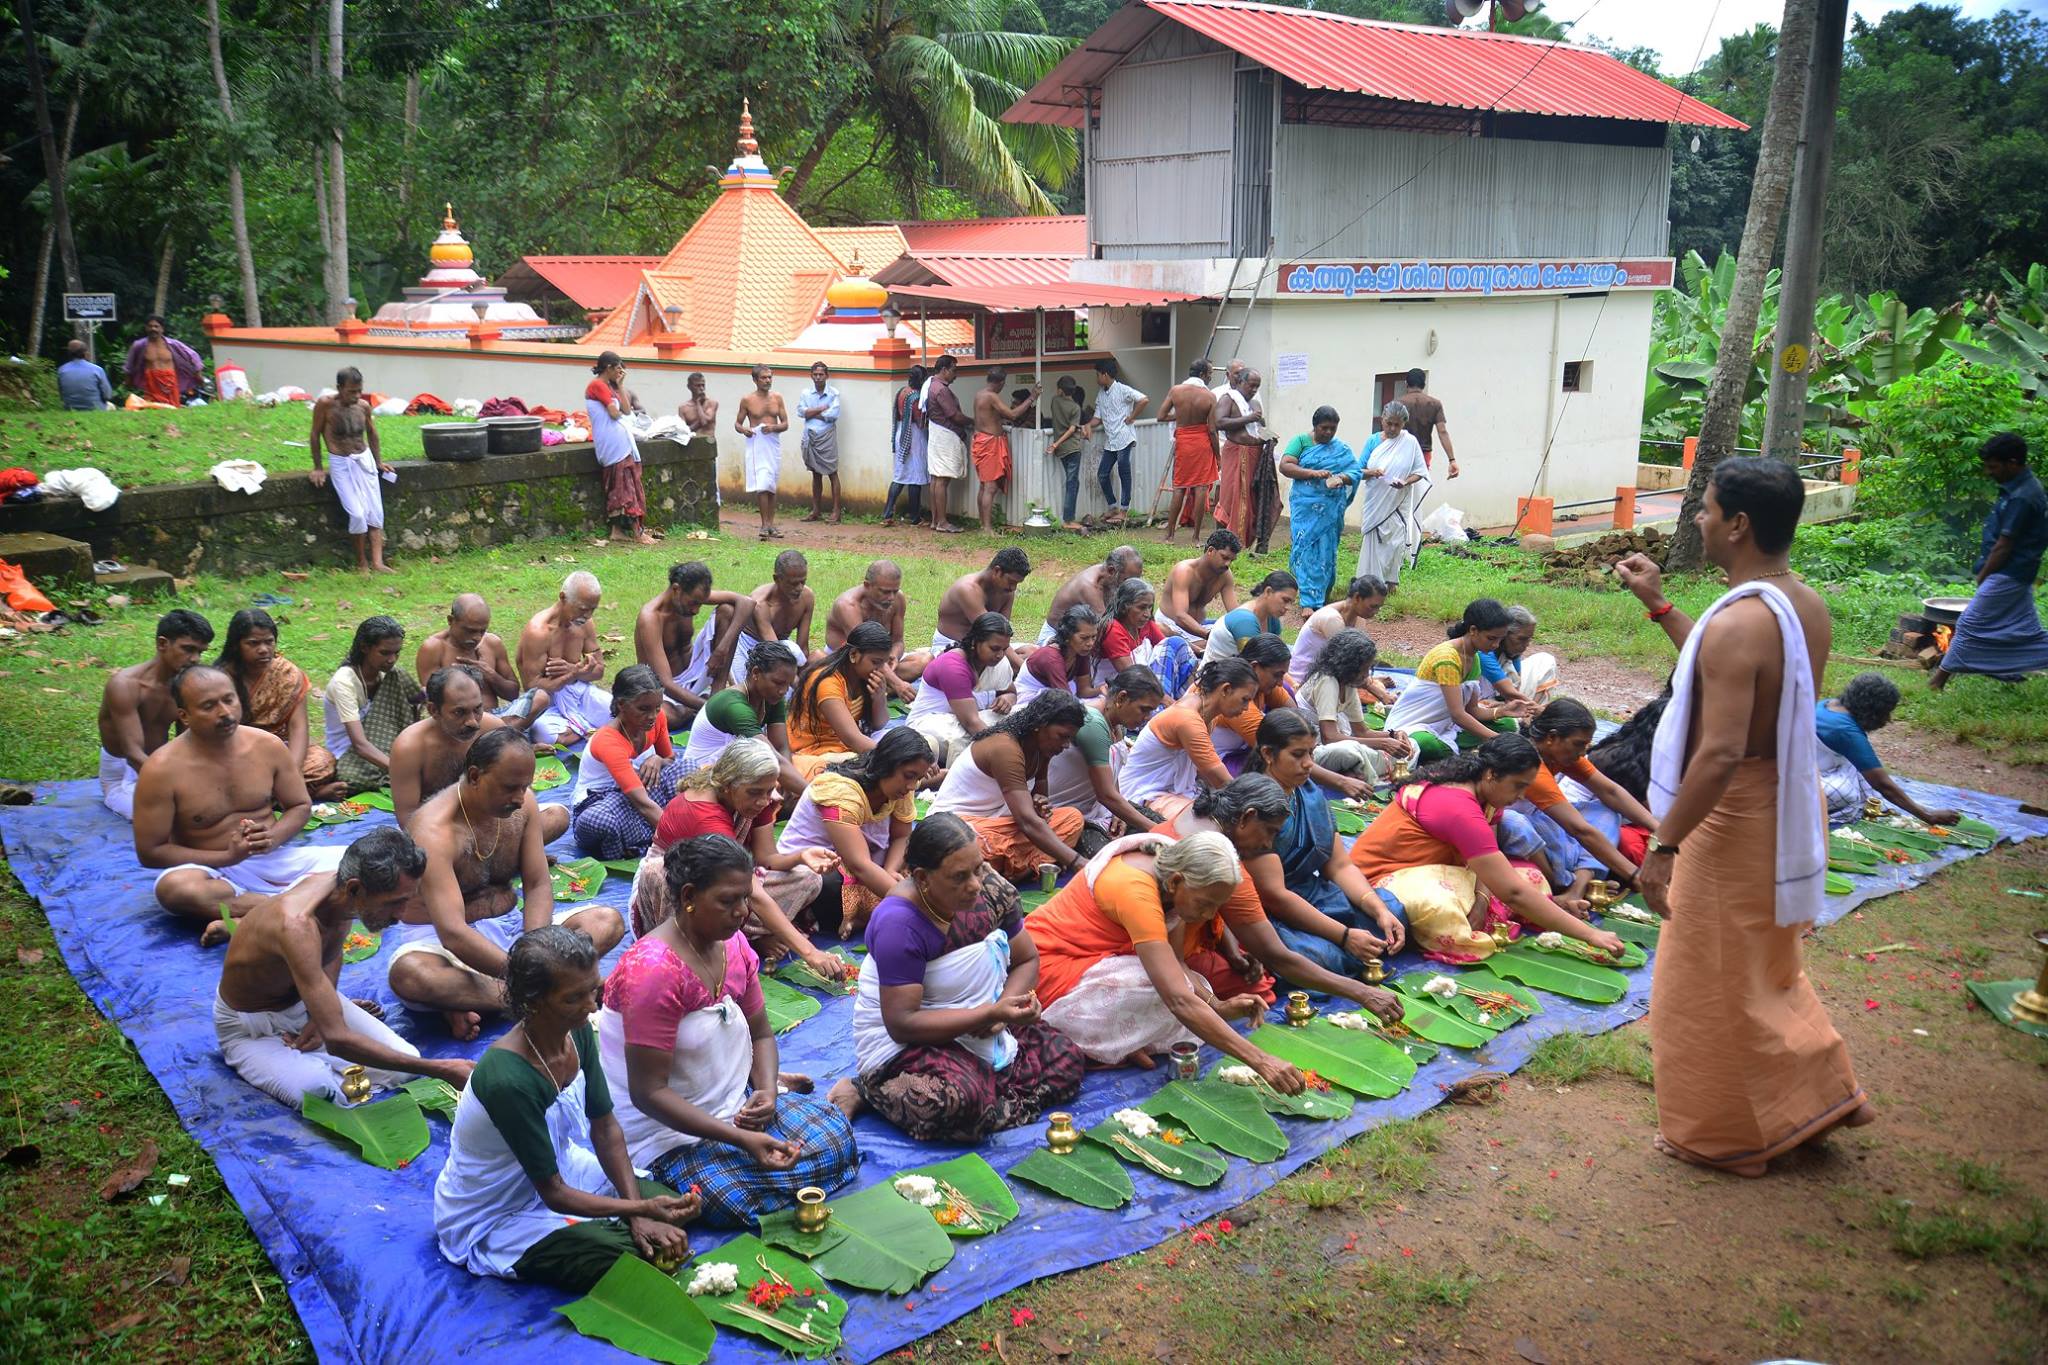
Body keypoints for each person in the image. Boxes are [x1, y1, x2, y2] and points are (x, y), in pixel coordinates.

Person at [1613, 455, 1870, 1177]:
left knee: (1703, 980)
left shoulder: (1741, 624)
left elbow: (1722, 749)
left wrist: (1664, 845)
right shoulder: (1799, 603)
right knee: (1766, 965)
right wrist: (1660, 605)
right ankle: (1813, 1103)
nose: (1698, 518)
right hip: (1783, 798)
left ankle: (1724, 1134)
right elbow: (1728, 668)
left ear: (1739, 524)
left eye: (1707, 508)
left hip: (1731, 813)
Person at [598, 836, 860, 1227]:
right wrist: (739, 1138)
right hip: (666, 1130)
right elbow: (648, 1094)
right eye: (728, 901)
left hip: (731, 1105)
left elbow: (761, 1034)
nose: (742, 912)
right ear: (688, 895)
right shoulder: (653, 972)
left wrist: (767, 1091)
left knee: (836, 1139)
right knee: (727, 1198)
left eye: (745, 899)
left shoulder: (732, 944)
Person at [434, 924, 698, 1293]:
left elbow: (605, 1128)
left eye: (593, 990)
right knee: (630, 1255)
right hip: (499, 1210)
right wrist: (637, 1212)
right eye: (574, 999)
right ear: (533, 1001)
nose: (592, 1006)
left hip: (565, 1167)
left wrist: (640, 1209)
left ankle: (619, 1222)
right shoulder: (508, 1079)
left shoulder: (576, 1033)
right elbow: (553, 1193)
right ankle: (602, 1232)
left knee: (669, 1208)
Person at [829, 814, 1086, 1141]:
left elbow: (1026, 960)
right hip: (909, 1041)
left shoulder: (990, 890)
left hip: (985, 1021)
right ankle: (868, 1090)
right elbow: (902, 1023)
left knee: (1066, 1059)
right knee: (957, 1102)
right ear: (922, 877)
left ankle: (985, 1089)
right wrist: (989, 1014)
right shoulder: (899, 924)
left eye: (978, 869)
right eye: (959, 877)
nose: (976, 884)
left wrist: (1007, 1006)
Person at [215, 827, 472, 1107]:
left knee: (403, 1062)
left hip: (302, 1003)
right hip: (249, 1026)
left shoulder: (341, 894)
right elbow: (337, 1040)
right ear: (354, 889)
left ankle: (319, 1033)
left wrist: (319, 1012)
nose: (400, 915)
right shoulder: (297, 926)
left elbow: (332, 949)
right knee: (322, 1094)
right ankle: (295, 1053)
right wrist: (441, 1069)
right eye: (394, 903)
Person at [394, 729, 624, 1038]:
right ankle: (550, 993)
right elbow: (453, 934)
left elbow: (538, 883)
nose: (520, 797)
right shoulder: (433, 831)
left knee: (605, 921)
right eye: (510, 788)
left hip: (515, 930)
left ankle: (502, 999)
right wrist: (530, 973)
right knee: (413, 977)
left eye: (525, 786)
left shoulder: (522, 804)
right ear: (475, 776)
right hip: (444, 944)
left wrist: (537, 949)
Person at [1027, 829, 1301, 1082]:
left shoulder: (1174, 871)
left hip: (1096, 965)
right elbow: (1178, 999)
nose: (1208, 916)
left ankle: (1118, 1043)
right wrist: (1262, 1061)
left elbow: (1177, 960)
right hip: (1047, 972)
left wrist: (1216, 1005)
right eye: (1205, 905)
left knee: (1195, 987)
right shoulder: (1136, 891)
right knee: (1157, 989)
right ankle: (1101, 1045)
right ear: (1176, 881)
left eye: (1216, 906)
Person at [1347, 734, 1623, 962]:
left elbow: (1491, 859)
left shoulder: (1485, 794)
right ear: (1491, 774)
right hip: (1382, 880)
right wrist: (1591, 935)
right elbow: (1512, 892)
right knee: (1442, 908)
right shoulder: (1458, 806)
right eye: (1518, 786)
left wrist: (1481, 899)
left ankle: (1501, 911)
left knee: (1532, 877)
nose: (1522, 796)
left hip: (1443, 871)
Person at [1167, 776, 1406, 1018]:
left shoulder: (1199, 815)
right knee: (1263, 990)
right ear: (1246, 818)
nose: (1268, 844)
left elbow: (1218, 910)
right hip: (1158, 950)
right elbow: (1276, 953)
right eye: (1270, 832)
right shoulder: (1218, 861)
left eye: (1311, 753)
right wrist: (1361, 992)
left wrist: (1231, 950)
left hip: (1292, 905)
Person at [136, 664, 343, 939]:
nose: (224, 712)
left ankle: (247, 918)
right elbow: (151, 851)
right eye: (209, 706)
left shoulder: (267, 746)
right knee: (176, 890)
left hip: (273, 858)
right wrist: (226, 856)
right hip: (211, 870)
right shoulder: (161, 770)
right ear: (184, 716)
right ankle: (297, 906)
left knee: (366, 862)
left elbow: (300, 806)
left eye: (229, 700)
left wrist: (272, 837)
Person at [644, 740, 849, 979]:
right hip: (679, 892)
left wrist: (801, 856)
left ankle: (746, 937)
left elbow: (765, 857)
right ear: (729, 785)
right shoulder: (705, 815)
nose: (763, 801)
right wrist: (811, 953)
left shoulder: (757, 794)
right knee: (662, 873)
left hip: (730, 882)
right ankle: (693, 948)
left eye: (767, 791)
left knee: (808, 878)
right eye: (755, 793)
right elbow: (753, 894)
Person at [1240, 708, 1408, 974]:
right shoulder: (1255, 804)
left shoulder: (1308, 792)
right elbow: (1275, 896)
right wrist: (1344, 936)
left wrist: (1377, 910)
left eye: (1311, 752)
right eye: (1298, 755)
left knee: (1393, 912)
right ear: (1268, 754)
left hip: (1314, 893)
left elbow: (1339, 866)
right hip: (1273, 910)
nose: (1308, 763)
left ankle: (1356, 942)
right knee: (1318, 957)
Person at [778, 728, 933, 939]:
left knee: (926, 852)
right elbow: (860, 865)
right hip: (818, 867)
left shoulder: (901, 787)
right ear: (888, 764)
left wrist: (889, 870)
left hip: (867, 862)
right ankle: (862, 913)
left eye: (917, 778)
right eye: (909, 776)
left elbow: (901, 836)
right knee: (830, 886)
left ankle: (866, 913)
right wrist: (918, 906)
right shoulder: (840, 791)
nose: (911, 786)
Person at [389, 665, 570, 842]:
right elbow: (408, 819)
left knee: (557, 816)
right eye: (459, 712)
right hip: (439, 830)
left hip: (491, 821)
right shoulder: (409, 747)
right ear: (434, 710)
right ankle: (505, 858)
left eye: (477, 710)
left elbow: (521, 796)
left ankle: (508, 856)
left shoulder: (493, 728)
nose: (472, 722)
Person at [930, 690, 1090, 881]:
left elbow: (1039, 804)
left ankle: (1001, 869)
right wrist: (1078, 862)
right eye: (1062, 736)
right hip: (957, 825)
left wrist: (1040, 803)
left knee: (1072, 819)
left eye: (1069, 739)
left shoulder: (1042, 748)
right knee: (968, 845)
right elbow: (1027, 821)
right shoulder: (1005, 749)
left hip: (1002, 824)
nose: (1065, 745)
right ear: (1041, 725)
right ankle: (1020, 867)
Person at [1510, 698, 1658, 900]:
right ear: (1552, 738)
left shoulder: (1560, 755)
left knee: (1605, 812)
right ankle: (1565, 884)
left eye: (1586, 745)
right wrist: (1635, 875)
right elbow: (1578, 829)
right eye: (1579, 744)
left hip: (1546, 825)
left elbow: (1611, 792)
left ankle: (1578, 887)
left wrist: (1660, 830)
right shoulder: (1530, 765)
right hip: (1521, 828)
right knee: (1515, 822)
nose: (1583, 752)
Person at [1931, 432, 2048, 689]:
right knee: (2025, 633)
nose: (1988, 472)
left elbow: (2004, 545)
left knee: (1969, 624)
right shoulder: (2017, 488)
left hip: (2009, 572)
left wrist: (1984, 575)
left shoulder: (2023, 497)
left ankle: (1937, 682)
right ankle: (2007, 671)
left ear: (2013, 463)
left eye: (1993, 466)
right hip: (2016, 571)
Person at [98, 609, 214, 820]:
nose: (195, 659)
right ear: (162, 644)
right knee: (171, 818)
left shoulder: (185, 686)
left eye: (200, 652)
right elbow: (132, 754)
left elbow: (188, 742)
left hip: (161, 765)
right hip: (123, 774)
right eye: (188, 649)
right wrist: (179, 789)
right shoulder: (125, 686)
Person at [216, 608, 341, 798]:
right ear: (236, 645)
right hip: (237, 753)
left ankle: (274, 793)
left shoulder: (287, 674)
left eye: (269, 642)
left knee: (322, 762)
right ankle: (302, 794)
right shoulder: (220, 679)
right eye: (253, 643)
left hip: (280, 750)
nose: (264, 649)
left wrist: (292, 771)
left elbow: (298, 728)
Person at [1120, 656, 1259, 826]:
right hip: (1144, 793)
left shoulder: (1206, 713)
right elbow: (1218, 777)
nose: (1246, 708)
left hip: (1174, 792)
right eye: (1244, 699)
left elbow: (1206, 773)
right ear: (1226, 689)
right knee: (1210, 827)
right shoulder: (1187, 718)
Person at [1815, 674, 1963, 828]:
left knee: (1863, 770)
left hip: (1813, 766)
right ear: (1872, 710)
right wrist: (1927, 815)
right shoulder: (1846, 731)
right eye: (1886, 713)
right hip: (1803, 780)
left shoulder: (1827, 704)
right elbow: (1882, 784)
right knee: (1847, 794)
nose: (1889, 720)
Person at [569, 667, 685, 862]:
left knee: (686, 768)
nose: (652, 716)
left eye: (657, 708)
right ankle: (654, 834)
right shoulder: (608, 740)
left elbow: (670, 759)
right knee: (601, 821)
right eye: (643, 709)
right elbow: (642, 804)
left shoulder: (657, 720)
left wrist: (657, 759)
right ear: (622, 704)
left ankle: (642, 837)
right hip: (601, 801)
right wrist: (685, 843)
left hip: (635, 794)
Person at [1384, 598, 1519, 760]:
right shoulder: (1447, 657)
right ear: (1473, 630)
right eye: (1491, 638)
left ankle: (1452, 750)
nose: (1496, 645)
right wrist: (1496, 740)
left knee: (1508, 724)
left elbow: (1472, 711)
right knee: (1427, 744)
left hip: (1446, 725)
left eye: (1500, 639)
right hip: (1413, 725)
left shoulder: (1474, 658)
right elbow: (1458, 715)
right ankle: (1450, 752)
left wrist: (1503, 711)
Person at [1047, 666, 1166, 848]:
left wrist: (1118, 813)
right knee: (1110, 856)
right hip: (1070, 813)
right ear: (1122, 698)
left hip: (1099, 808)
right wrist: (1159, 832)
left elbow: (1111, 778)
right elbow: (1106, 795)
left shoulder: (1118, 721)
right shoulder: (1093, 722)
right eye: (1144, 710)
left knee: (1158, 821)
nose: (1147, 717)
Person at [635, 561, 753, 727]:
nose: (696, 610)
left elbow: (747, 603)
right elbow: (665, 683)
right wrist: (710, 708)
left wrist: (722, 649)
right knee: (666, 718)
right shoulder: (651, 618)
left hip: (695, 674)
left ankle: (716, 693)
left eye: (700, 603)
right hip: (661, 688)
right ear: (676, 589)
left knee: (728, 610)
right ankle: (710, 703)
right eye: (693, 603)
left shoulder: (691, 597)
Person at [415, 594, 551, 733]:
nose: (476, 638)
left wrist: (489, 674)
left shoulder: (492, 643)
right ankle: (500, 735)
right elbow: (433, 700)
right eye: (470, 631)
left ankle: (495, 734)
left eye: (482, 631)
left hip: (498, 716)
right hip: (461, 723)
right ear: (451, 621)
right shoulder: (433, 648)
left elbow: (513, 693)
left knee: (540, 697)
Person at [679, 641, 803, 795]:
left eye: (788, 685)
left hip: (735, 770)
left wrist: (785, 786)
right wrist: (813, 797)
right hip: (702, 778)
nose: (783, 691)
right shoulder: (734, 706)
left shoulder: (772, 698)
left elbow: (781, 747)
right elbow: (771, 756)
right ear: (756, 673)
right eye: (778, 683)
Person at [308, 366, 396, 572]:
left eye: (359, 391)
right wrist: (318, 467)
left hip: (364, 460)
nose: (356, 396)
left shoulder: (363, 406)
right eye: (351, 391)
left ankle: (377, 562)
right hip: (341, 462)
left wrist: (378, 462)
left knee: (375, 512)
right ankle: (361, 563)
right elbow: (314, 435)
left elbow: (372, 434)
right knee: (357, 514)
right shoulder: (325, 405)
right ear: (339, 388)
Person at [1299, 629, 1414, 784]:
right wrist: (1383, 744)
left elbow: (1362, 731)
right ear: (1349, 666)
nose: (1367, 675)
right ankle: (1361, 768)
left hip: (1337, 743)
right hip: (1314, 751)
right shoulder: (1327, 681)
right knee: (1351, 752)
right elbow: (1330, 738)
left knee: (1412, 744)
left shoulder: (1348, 684)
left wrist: (1393, 735)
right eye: (1364, 669)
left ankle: (1358, 769)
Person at [906, 613, 1018, 766]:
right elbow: (971, 723)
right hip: (928, 723)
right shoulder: (952, 666)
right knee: (962, 740)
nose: (1000, 655)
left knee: (1021, 718)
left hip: (973, 718)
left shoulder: (999, 662)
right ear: (975, 642)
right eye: (994, 648)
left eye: (1004, 649)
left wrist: (1007, 699)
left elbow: (1010, 691)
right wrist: (1004, 750)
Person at [324, 615, 419, 794]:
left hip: (384, 742)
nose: (392, 659)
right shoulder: (344, 682)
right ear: (365, 648)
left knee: (398, 674)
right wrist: (401, 772)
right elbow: (360, 745)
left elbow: (418, 702)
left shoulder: (388, 674)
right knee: (351, 779)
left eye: (396, 652)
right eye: (385, 653)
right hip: (349, 752)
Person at [786, 621, 893, 779]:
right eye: (876, 662)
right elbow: (852, 739)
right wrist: (897, 758)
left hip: (844, 747)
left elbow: (879, 724)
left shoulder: (864, 677)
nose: (881, 669)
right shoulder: (828, 682)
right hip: (813, 752)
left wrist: (879, 698)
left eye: (884, 663)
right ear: (854, 655)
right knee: (866, 767)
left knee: (917, 741)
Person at [1279, 406, 1362, 610]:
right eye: (1324, 428)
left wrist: (1341, 477)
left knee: (1326, 551)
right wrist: (1311, 473)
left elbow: (1355, 470)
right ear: (1315, 426)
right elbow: (1285, 465)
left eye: (1333, 429)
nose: (1328, 433)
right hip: (1305, 507)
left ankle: (1323, 595)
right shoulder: (1301, 442)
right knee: (1306, 549)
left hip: (1330, 511)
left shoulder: (1341, 448)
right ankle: (1308, 600)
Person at [518, 572, 611, 745]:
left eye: (593, 609)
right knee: (542, 732)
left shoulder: (585, 624)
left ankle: (578, 728)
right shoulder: (538, 632)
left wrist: (575, 673)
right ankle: (589, 729)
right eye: (583, 609)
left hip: (581, 691)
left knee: (618, 710)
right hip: (550, 702)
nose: (588, 615)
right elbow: (531, 685)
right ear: (563, 597)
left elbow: (599, 670)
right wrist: (573, 672)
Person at [1353, 400, 1429, 589]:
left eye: (1397, 424)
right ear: (1382, 420)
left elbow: (1420, 471)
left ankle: (1391, 584)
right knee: (1375, 543)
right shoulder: (1372, 441)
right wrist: (1373, 472)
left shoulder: (1409, 442)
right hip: (1376, 502)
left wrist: (1405, 482)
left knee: (1395, 544)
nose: (1393, 428)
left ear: (1404, 424)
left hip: (1398, 502)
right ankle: (1369, 585)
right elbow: (1357, 471)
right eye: (1389, 423)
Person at [827, 560, 926, 701]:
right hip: (848, 664)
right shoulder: (848, 606)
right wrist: (898, 684)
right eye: (885, 592)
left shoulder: (898, 599)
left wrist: (893, 655)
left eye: (895, 591)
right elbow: (865, 651)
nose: (891, 597)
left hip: (879, 662)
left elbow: (898, 641)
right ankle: (879, 688)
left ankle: (878, 688)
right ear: (867, 586)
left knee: (925, 660)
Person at [584, 351, 654, 546]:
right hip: (613, 441)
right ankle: (637, 533)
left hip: (619, 440)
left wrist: (621, 386)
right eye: (618, 369)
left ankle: (617, 531)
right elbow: (615, 414)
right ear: (609, 368)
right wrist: (615, 407)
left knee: (622, 484)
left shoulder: (609, 387)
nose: (620, 372)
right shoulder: (597, 385)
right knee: (625, 487)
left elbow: (626, 410)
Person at [1288, 574, 1390, 693]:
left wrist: (1369, 681)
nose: (1375, 612)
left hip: (1329, 676)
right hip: (1303, 682)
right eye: (1373, 606)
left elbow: (1359, 659)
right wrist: (1379, 692)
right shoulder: (1331, 618)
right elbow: (1348, 663)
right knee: (1357, 695)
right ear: (1357, 598)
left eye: (1378, 608)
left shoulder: (1360, 619)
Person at [1158, 361, 1219, 541]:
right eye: (1209, 373)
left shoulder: (1176, 391)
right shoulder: (1209, 396)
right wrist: (1218, 455)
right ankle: (1196, 538)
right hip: (1202, 442)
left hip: (1183, 441)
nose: (1210, 377)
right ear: (1202, 374)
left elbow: (1160, 416)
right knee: (1201, 488)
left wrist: (1179, 416)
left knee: (1179, 487)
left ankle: (1169, 535)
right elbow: (1212, 430)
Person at [973, 367, 1037, 533]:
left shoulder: (980, 394)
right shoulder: (991, 396)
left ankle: (983, 525)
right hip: (989, 443)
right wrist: (1032, 398)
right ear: (1001, 383)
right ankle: (987, 528)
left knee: (984, 486)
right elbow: (1013, 414)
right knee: (990, 488)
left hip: (982, 441)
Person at [1216, 368, 1276, 546]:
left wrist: (1269, 436)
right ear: (1241, 382)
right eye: (1251, 386)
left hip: (1254, 454)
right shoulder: (1229, 398)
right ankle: (1228, 540)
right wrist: (1248, 418)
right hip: (1237, 453)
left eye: (1257, 386)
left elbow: (1260, 427)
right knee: (1233, 497)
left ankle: (1246, 540)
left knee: (1252, 497)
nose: (1254, 390)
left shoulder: (1255, 404)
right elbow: (1219, 422)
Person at [1087, 357, 1149, 526]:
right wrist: (1086, 425)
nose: (1097, 378)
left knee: (1123, 469)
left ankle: (1123, 510)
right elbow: (1096, 419)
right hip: (1111, 440)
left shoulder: (1123, 389)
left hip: (1124, 436)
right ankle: (1113, 506)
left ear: (1105, 375)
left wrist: (1132, 417)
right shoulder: (1101, 394)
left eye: (1098, 375)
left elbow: (1144, 399)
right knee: (1102, 474)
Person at [1042, 545, 1142, 646]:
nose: (1131, 586)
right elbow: (1107, 629)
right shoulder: (1089, 587)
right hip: (1055, 638)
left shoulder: (1110, 576)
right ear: (1112, 571)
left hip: (1085, 636)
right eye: (1127, 580)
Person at [935, 548, 1031, 649]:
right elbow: (992, 634)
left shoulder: (1006, 591)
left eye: (1017, 583)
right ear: (997, 571)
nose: (1013, 588)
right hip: (952, 647)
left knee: (1031, 650)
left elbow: (1003, 633)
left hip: (988, 647)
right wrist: (1021, 664)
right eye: (1011, 582)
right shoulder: (967, 589)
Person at [735, 364, 789, 541]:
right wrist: (745, 430)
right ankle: (764, 524)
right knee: (762, 484)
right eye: (764, 378)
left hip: (772, 444)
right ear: (755, 380)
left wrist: (773, 427)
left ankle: (771, 524)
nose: (767, 381)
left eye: (770, 377)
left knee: (771, 485)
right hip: (756, 444)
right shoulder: (747, 400)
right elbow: (738, 424)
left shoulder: (777, 398)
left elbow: (785, 423)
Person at [1160, 528, 1242, 644]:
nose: (1228, 564)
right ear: (1210, 551)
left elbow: (1235, 614)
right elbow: (1180, 616)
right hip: (1171, 626)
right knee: (1220, 646)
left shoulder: (1225, 576)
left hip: (1200, 627)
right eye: (1224, 557)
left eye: (1231, 560)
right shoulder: (1184, 571)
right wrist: (1209, 636)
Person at [738, 549, 813, 670]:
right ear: (777, 579)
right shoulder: (761, 604)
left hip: (780, 644)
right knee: (749, 687)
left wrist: (803, 681)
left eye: (803, 582)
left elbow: (803, 649)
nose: (799, 588)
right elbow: (776, 654)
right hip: (749, 645)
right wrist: (795, 683)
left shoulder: (807, 597)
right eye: (793, 584)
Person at [922, 354, 971, 534]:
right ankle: (942, 521)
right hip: (945, 434)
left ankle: (936, 520)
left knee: (937, 478)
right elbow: (954, 415)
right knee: (942, 479)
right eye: (953, 370)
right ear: (944, 370)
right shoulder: (941, 390)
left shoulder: (931, 385)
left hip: (938, 434)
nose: (955, 375)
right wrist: (972, 421)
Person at [792, 360, 843, 523]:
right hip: (810, 436)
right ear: (811, 376)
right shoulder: (806, 393)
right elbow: (800, 411)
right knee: (815, 474)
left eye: (821, 374)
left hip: (826, 435)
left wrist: (811, 413)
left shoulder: (834, 393)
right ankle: (816, 510)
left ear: (827, 376)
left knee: (832, 473)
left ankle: (836, 511)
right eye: (815, 374)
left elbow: (833, 415)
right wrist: (820, 410)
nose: (818, 377)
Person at [1205, 570, 1296, 660]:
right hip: (1219, 672)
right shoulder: (1245, 621)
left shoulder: (1272, 618)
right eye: (1285, 600)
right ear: (1268, 591)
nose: (1288, 607)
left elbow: (1277, 658)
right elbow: (1258, 665)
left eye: (1291, 603)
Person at [1018, 605, 1102, 703]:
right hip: (1029, 700)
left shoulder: (1080, 652)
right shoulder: (1052, 658)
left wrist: (1105, 690)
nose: (1090, 643)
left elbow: (1083, 691)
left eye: (1094, 637)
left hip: (1060, 697)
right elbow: (1066, 702)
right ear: (1067, 635)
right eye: (1084, 638)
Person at [1482, 606, 1560, 711]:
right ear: (1504, 634)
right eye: (1522, 639)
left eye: (1529, 639)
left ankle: (1528, 714)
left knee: (1546, 660)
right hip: (1483, 699)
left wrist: (1529, 707)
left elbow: (1517, 684)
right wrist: (1537, 709)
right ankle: (1528, 713)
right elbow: (1509, 692)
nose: (1527, 645)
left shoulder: (1511, 650)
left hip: (1505, 695)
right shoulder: (1485, 651)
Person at [882, 364, 929, 528]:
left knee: (900, 475)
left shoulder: (902, 391)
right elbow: (920, 422)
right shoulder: (915, 396)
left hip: (901, 434)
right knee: (915, 477)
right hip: (913, 436)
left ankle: (887, 513)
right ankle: (915, 516)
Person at [1041, 375, 1091, 529]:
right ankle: (1068, 520)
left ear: (1060, 390)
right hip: (1072, 447)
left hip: (1062, 450)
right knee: (1072, 483)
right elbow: (1071, 428)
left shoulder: (1055, 401)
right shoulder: (1075, 408)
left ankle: (1068, 519)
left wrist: (1056, 444)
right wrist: (1056, 443)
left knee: (1073, 482)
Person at [122, 315, 202, 405]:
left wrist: (198, 375)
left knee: (173, 407)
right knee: (152, 407)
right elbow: (129, 365)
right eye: (150, 326)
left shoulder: (173, 344)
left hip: (170, 383)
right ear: (146, 328)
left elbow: (193, 355)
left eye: (156, 326)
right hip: (151, 383)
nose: (153, 329)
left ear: (162, 329)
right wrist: (128, 380)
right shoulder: (139, 345)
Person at [1400, 368, 1457, 478]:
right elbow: (1442, 432)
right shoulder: (1434, 404)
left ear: (1406, 383)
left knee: (1401, 486)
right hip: (1423, 453)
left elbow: (1388, 431)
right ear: (1423, 384)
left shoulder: (1399, 403)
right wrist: (1452, 460)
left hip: (1402, 451)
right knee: (1419, 486)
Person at [57, 338, 112, 411]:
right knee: (111, 406)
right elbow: (107, 395)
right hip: (95, 408)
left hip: (70, 409)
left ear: (69, 353)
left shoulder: (62, 370)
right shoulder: (97, 369)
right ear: (85, 353)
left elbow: (62, 396)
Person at [678, 371, 719, 439]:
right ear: (689, 387)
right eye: (697, 385)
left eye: (703, 385)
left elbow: (704, 422)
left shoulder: (712, 403)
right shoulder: (683, 408)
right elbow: (683, 431)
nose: (701, 388)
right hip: (692, 444)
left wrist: (698, 404)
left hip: (708, 442)